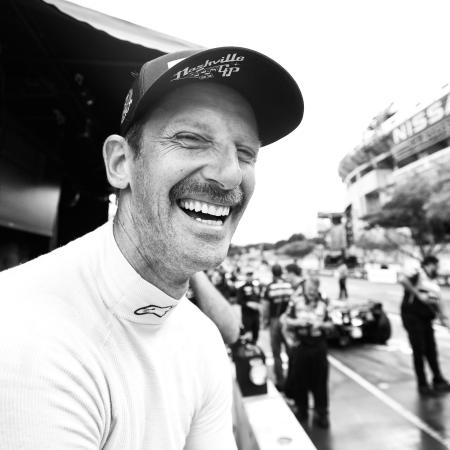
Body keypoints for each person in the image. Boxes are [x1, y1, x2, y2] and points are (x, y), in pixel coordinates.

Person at [0, 46, 303, 448]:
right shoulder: (23, 332)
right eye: (191, 139)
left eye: (245, 153)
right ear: (120, 163)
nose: (230, 175)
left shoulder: (200, 338)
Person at [281, 277, 332, 428]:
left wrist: (321, 324)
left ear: (317, 289)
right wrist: (298, 322)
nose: (311, 292)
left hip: (318, 346)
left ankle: (321, 413)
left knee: (320, 382)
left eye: (314, 289)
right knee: (300, 379)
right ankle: (301, 409)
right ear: (305, 289)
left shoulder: (324, 303)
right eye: (309, 289)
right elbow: (285, 320)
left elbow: (331, 324)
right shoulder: (296, 302)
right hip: (301, 345)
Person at [399, 255, 450, 396]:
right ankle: (422, 384)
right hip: (413, 318)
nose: (437, 269)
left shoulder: (433, 282)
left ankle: (438, 379)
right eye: (436, 266)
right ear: (429, 265)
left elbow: (438, 302)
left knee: (431, 350)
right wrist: (418, 294)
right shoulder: (418, 273)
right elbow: (402, 280)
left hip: (426, 320)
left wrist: (445, 320)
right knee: (419, 350)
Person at [262, 263, 294, 391]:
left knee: (276, 352)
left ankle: (280, 382)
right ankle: (292, 380)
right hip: (287, 320)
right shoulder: (289, 285)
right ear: (281, 272)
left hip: (275, 320)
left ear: (272, 273)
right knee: (290, 351)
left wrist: (265, 321)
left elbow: (265, 307)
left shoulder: (270, 287)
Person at [236, 271, 262, 343]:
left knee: (256, 331)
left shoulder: (256, 287)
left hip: (255, 314)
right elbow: (239, 300)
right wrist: (248, 304)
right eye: (248, 275)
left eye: (251, 275)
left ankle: (254, 344)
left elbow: (259, 299)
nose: (250, 277)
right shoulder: (241, 288)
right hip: (247, 315)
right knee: (247, 333)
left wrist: (258, 303)